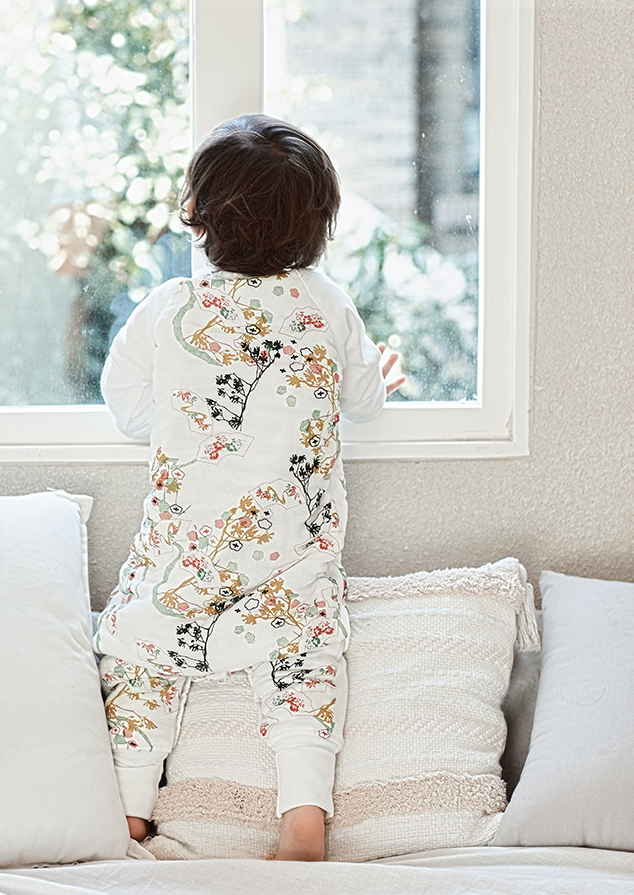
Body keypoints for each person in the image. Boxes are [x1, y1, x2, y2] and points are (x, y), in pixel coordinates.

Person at [94, 114, 404, 861]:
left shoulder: (169, 308)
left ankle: (130, 808)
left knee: (140, 653)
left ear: (195, 214)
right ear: (319, 226)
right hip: (291, 550)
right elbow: (363, 401)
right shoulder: (325, 302)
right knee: (306, 663)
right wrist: (376, 377)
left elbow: (127, 408)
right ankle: (303, 814)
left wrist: (190, 413)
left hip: (183, 553)